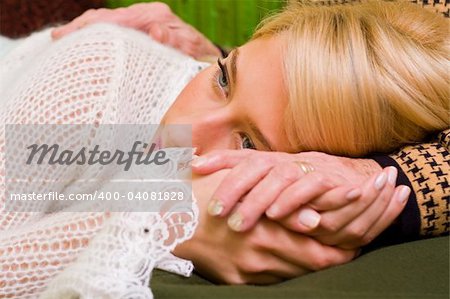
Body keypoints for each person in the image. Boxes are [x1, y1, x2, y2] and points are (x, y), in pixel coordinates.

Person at [0, 0, 447, 297]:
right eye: (223, 78)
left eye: (249, 142)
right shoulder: (96, 79)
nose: (189, 129)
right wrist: (160, 222)